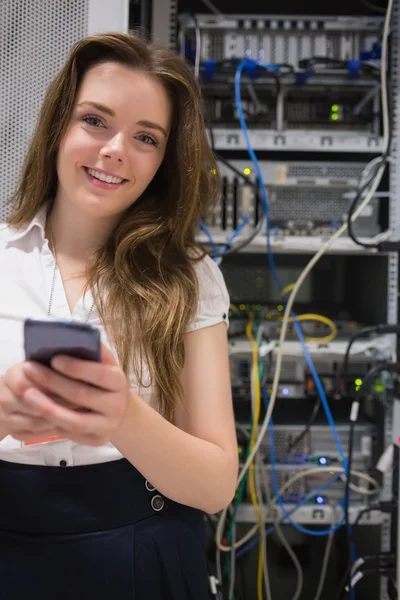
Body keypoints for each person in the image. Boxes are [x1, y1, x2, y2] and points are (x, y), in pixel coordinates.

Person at [0, 32, 238, 599]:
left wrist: (121, 415)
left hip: (142, 551)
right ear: (59, 125)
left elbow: (214, 486)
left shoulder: (190, 277)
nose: (115, 150)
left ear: (164, 162)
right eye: (95, 121)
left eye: (146, 138)